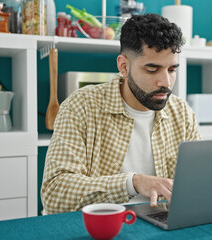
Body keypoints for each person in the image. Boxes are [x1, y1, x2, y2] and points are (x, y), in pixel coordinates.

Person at [41, 13, 201, 215]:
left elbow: (198, 183)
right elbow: (55, 193)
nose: (166, 82)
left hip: (160, 225)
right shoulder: (79, 107)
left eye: (171, 70)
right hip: (97, 226)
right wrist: (132, 183)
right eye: (152, 69)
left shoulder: (182, 113)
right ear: (124, 66)